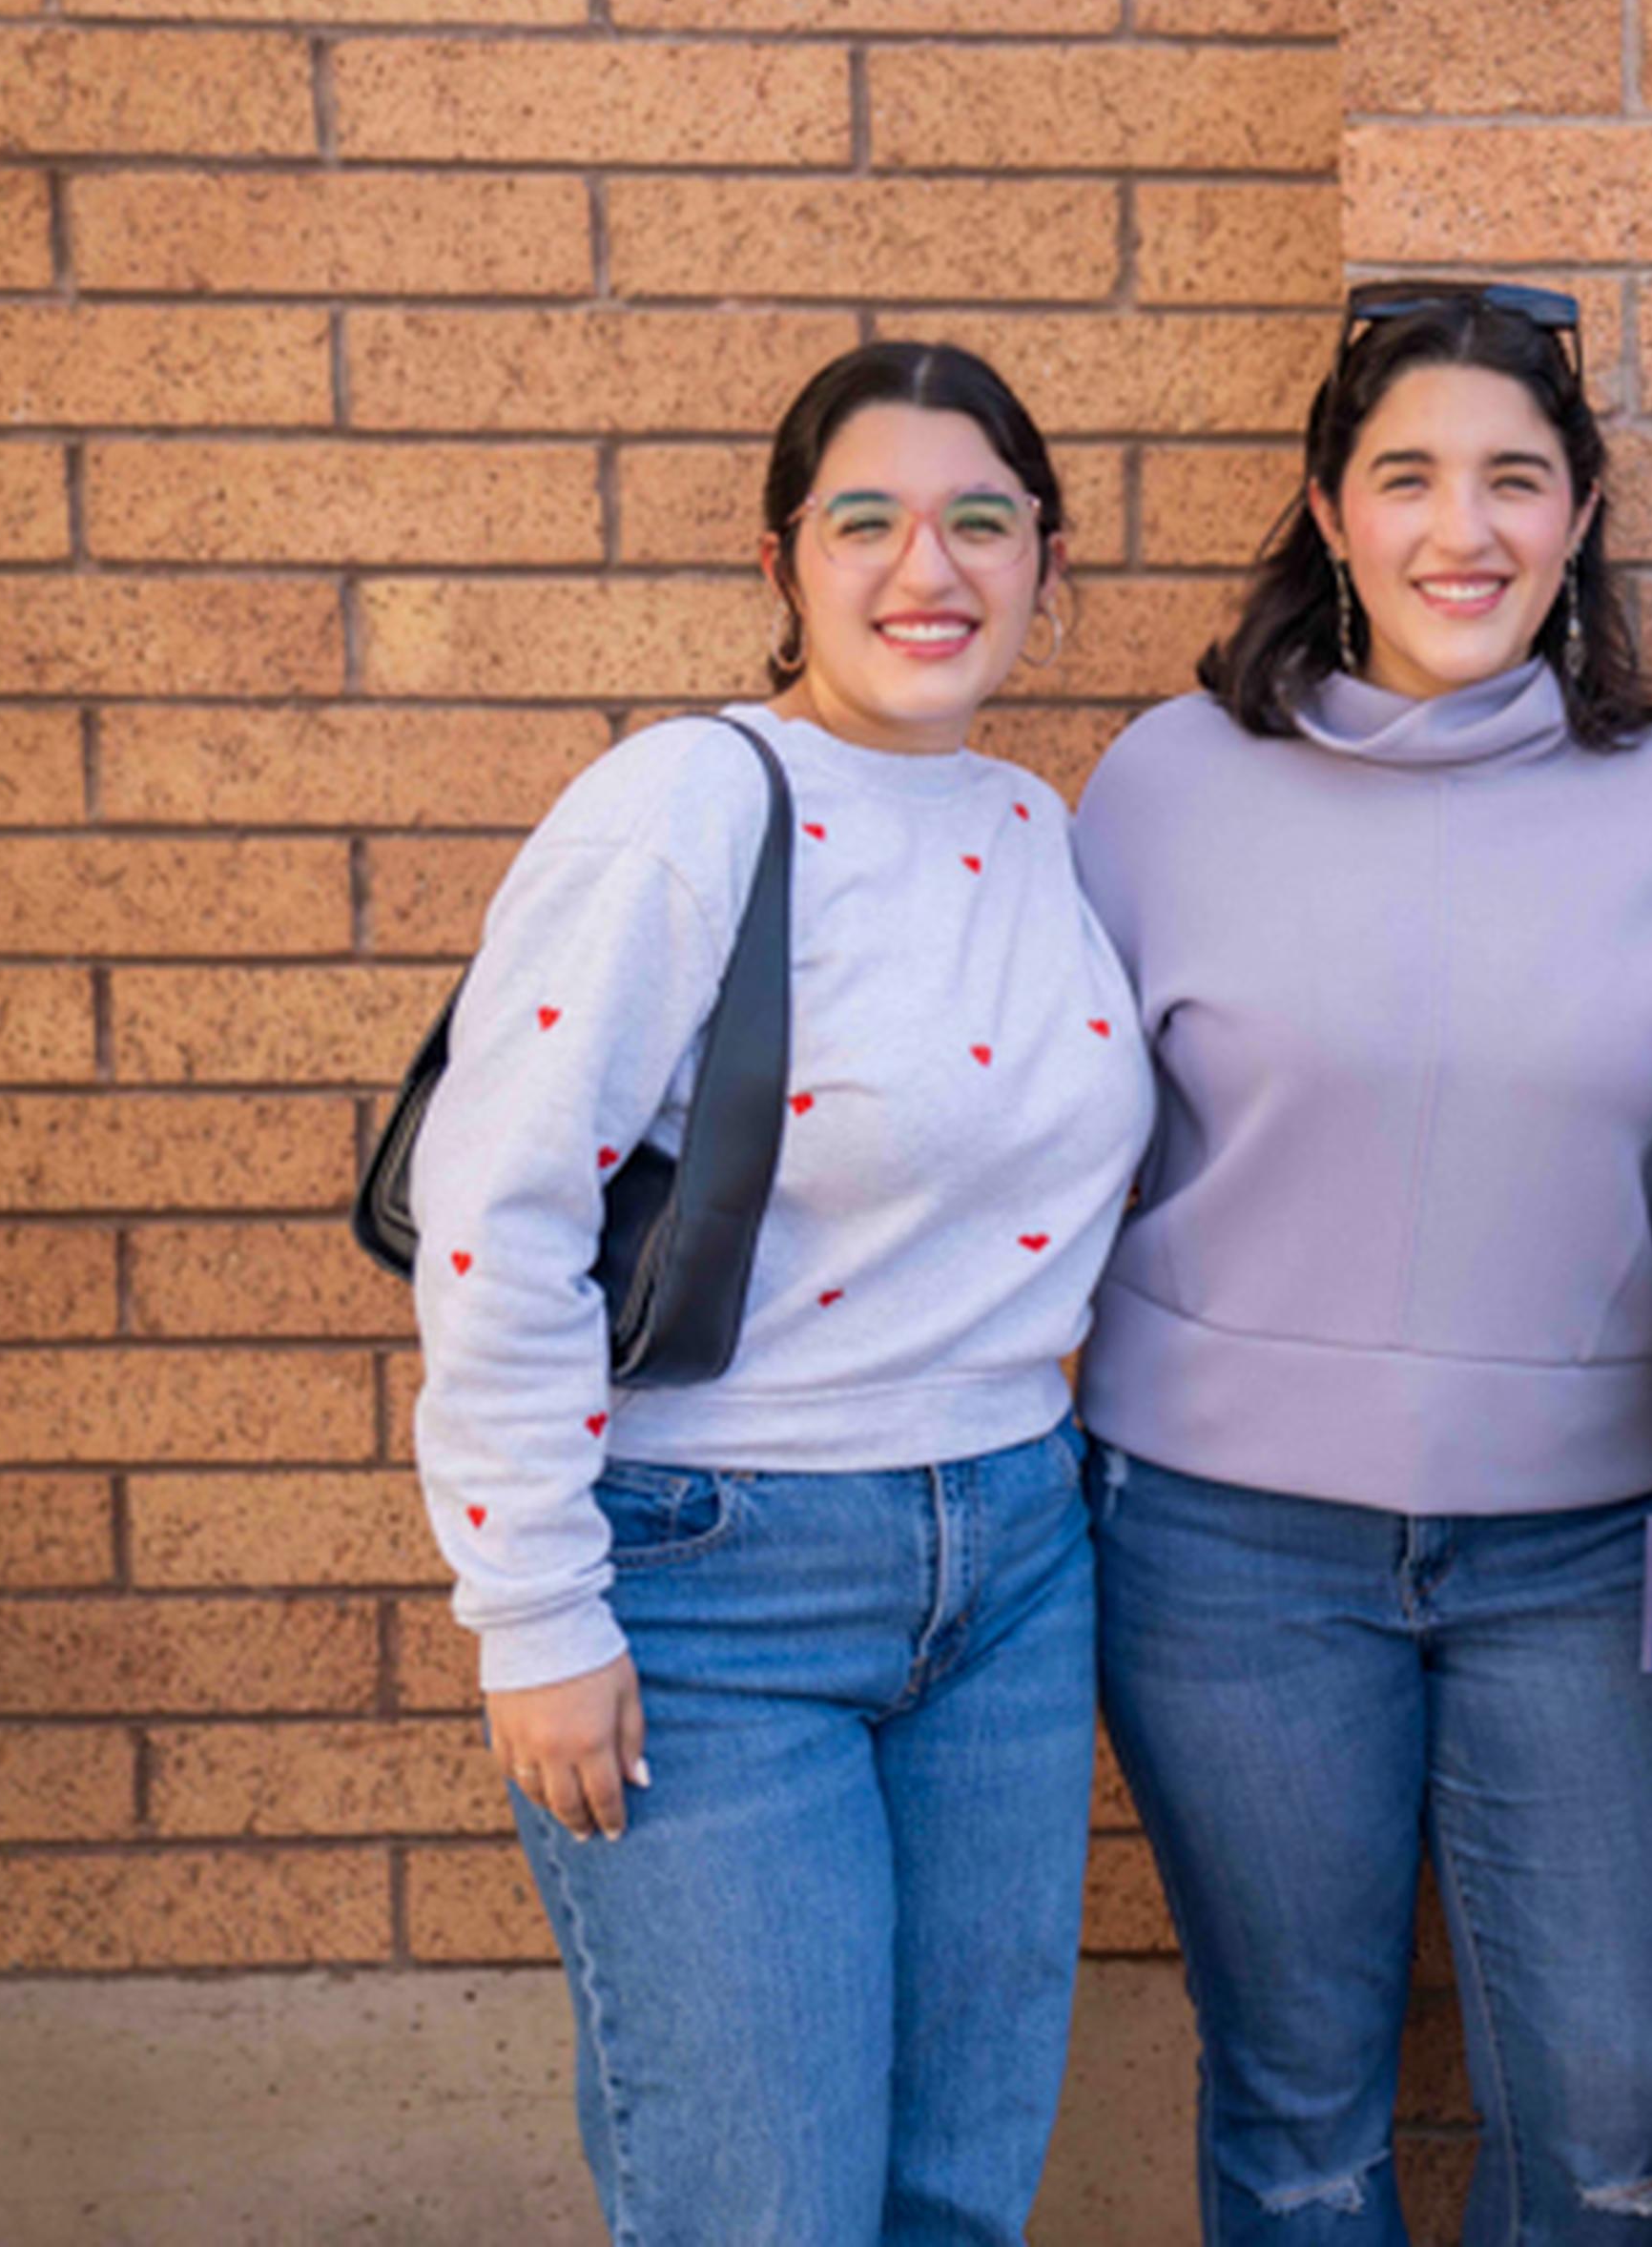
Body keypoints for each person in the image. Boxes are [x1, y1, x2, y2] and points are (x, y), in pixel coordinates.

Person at [405, 340, 1155, 2244]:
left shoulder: (1038, 829)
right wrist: (536, 1608)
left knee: (950, 2190)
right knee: (768, 2206)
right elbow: (497, 1204)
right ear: (782, 564)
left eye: (983, 520)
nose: (932, 566)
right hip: (712, 1584)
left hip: (1008, 1558)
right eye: (870, 520)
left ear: (1049, 568)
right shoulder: (685, 802)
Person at [1067, 281, 1652, 2244]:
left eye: (1514, 481)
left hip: (1576, 1549)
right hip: (1225, 1545)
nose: (1461, 530)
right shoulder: (1159, 787)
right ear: (1327, 505)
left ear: (1579, 513)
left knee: (1622, 2119)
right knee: (1300, 2122)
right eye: (1408, 478)